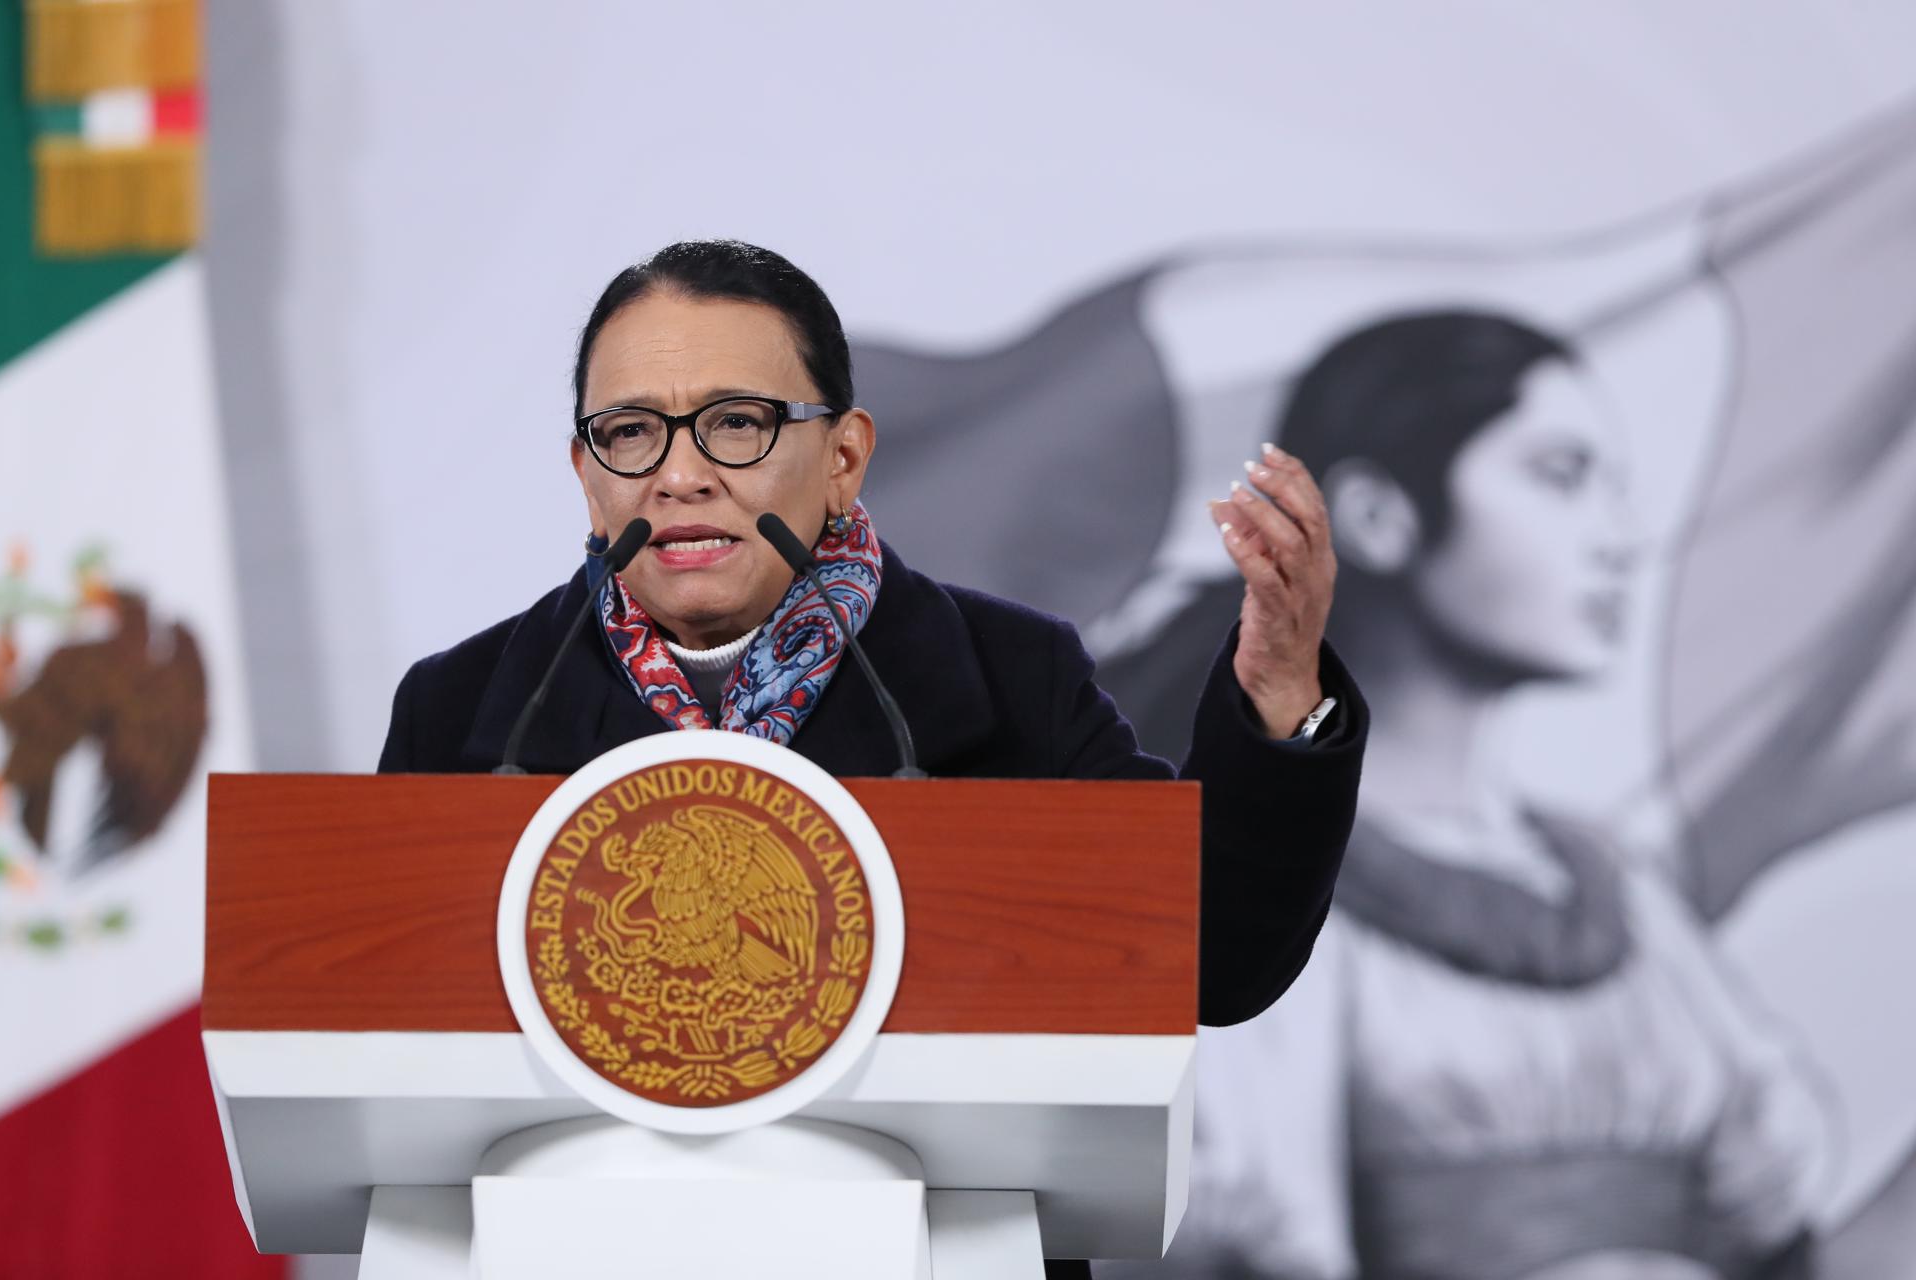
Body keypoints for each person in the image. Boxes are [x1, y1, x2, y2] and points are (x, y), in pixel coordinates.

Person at [376, 239, 1369, 1279]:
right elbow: (386, 1039)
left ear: (844, 456)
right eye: (629, 433)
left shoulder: (1006, 676)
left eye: (736, 423)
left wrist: (1277, 691)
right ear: (587, 476)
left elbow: (1213, 958)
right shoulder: (465, 713)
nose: (678, 473)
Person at [1103, 311, 1840, 1280]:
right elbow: (1249, 1229)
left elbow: (1769, 1199)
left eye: (1615, 488)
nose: (1623, 538)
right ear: (1377, 516)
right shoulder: (1239, 882)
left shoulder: (1608, 882)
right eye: (1562, 475)